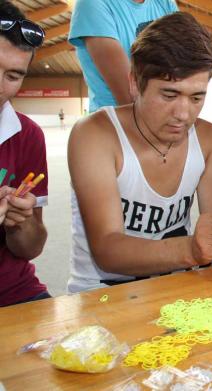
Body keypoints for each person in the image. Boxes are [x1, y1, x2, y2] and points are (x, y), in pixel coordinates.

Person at [67, 12, 212, 293]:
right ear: (134, 84)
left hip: (177, 291)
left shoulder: (208, 138)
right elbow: (107, 249)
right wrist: (192, 249)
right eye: (169, 95)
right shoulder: (94, 135)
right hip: (101, 295)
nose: (183, 114)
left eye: (197, 97)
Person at [0, 1, 50, 306]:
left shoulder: (27, 135)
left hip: (14, 291)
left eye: (13, 76)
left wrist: (22, 222)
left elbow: (32, 248)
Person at [68, 0, 178, 113]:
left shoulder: (165, 3)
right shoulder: (94, 3)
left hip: (164, 117)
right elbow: (130, 95)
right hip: (115, 124)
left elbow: (184, 67)